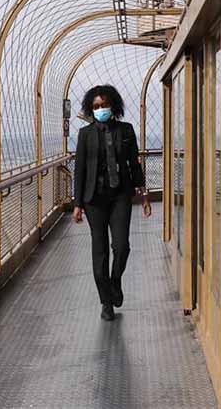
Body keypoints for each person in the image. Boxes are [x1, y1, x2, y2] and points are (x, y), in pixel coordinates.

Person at [72, 85, 151, 321]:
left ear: (113, 105)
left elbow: (134, 164)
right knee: (100, 252)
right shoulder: (85, 135)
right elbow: (80, 170)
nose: (100, 109)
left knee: (122, 247)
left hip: (120, 197)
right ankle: (106, 302)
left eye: (104, 105)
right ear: (90, 109)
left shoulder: (126, 130)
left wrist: (144, 195)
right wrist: (77, 204)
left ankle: (115, 282)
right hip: (94, 200)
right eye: (96, 106)